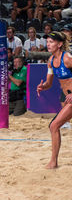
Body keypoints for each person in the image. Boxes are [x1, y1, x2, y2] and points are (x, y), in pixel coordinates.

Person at [36, 31, 72, 169]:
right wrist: (42, 86)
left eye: (51, 42)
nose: (48, 44)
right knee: (54, 126)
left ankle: (53, 162)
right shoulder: (50, 61)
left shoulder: (67, 58)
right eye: (47, 42)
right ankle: (54, 161)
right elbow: (49, 83)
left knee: (54, 126)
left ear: (60, 44)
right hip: (68, 97)